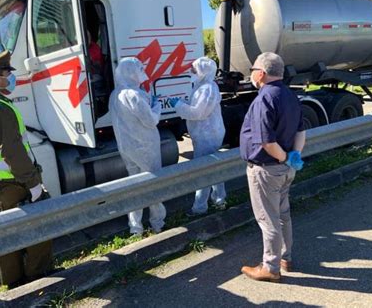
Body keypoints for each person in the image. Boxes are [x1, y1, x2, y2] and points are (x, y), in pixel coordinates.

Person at [0, 51, 53, 288]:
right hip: (11, 182)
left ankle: (13, 285)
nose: (10, 78)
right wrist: (34, 184)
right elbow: (12, 151)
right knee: (38, 227)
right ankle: (39, 281)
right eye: (7, 74)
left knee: (7, 233)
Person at [239, 52, 306, 283]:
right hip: (287, 169)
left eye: (253, 71)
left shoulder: (264, 99)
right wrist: (293, 157)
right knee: (282, 216)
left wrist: (284, 157)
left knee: (268, 219)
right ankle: (286, 258)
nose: (252, 76)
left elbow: (267, 142)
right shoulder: (290, 95)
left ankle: (270, 267)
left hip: (266, 170)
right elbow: (301, 131)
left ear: (261, 73)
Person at [108, 57, 166, 236]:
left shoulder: (115, 94)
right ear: (130, 72)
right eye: (140, 69)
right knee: (153, 184)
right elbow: (150, 120)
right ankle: (157, 224)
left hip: (127, 148)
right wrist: (156, 105)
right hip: (146, 147)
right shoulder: (134, 95)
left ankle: (136, 228)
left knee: (133, 186)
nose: (143, 72)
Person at [169, 57, 226, 216]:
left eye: (194, 69)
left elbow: (197, 113)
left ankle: (200, 207)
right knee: (214, 168)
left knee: (203, 171)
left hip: (208, 135)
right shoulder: (203, 86)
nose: (191, 71)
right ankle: (220, 199)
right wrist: (183, 103)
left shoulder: (207, 88)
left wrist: (178, 105)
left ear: (204, 71)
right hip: (206, 133)